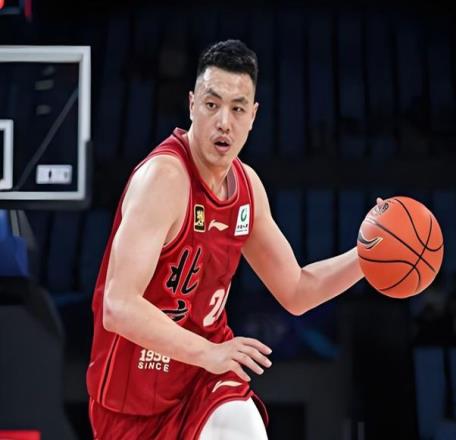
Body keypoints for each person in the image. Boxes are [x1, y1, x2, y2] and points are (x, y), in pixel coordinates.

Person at [87, 39, 367, 440]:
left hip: (204, 379)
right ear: (191, 105)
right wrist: (209, 352)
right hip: (132, 399)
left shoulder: (247, 187)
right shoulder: (164, 179)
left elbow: (297, 290)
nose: (224, 122)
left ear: (253, 116)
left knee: (245, 428)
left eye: (237, 109)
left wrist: (366, 257)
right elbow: (118, 305)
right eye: (211, 104)